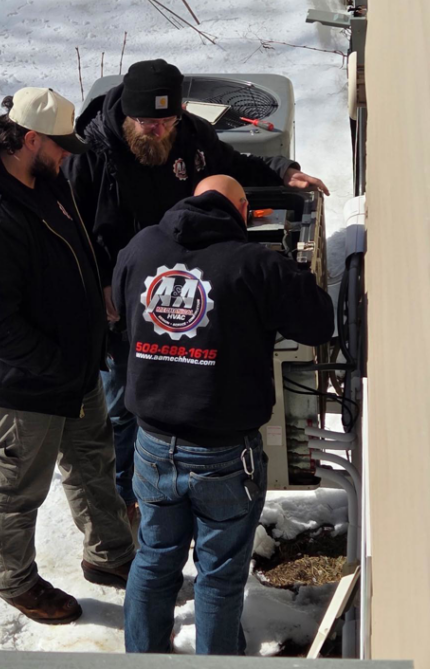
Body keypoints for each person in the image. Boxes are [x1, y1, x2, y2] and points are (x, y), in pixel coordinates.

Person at [65, 59, 328, 516]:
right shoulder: (90, 154)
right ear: (127, 114)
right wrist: (100, 286)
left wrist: (283, 171)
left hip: (180, 289)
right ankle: (120, 503)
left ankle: (172, 486)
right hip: (119, 298)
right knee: (122, 408)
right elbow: (71, 234)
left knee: (174, 395)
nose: (158, 131)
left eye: (167, 121)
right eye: (149, 122)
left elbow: (232, 165)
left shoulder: (189, 136)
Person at [111, 175, 334, 654]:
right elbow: (319, 322)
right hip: (223, 454)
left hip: (151, 444)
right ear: (243, 210)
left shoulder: (141, 246)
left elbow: (121, 306)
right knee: (219, 574)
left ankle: (143, 658)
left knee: (154, 560)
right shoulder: (256, 263)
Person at [0, 88, 135, 625]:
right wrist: (56, 365)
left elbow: (75, 246)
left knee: (94, 464)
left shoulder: (46, 182)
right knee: (15, 491)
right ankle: (15, 582)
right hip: (24, 389)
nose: (69, 155)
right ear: (30, 139)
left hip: (73, 371)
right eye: (60, 145)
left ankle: (112, 556)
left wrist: (97, 290)